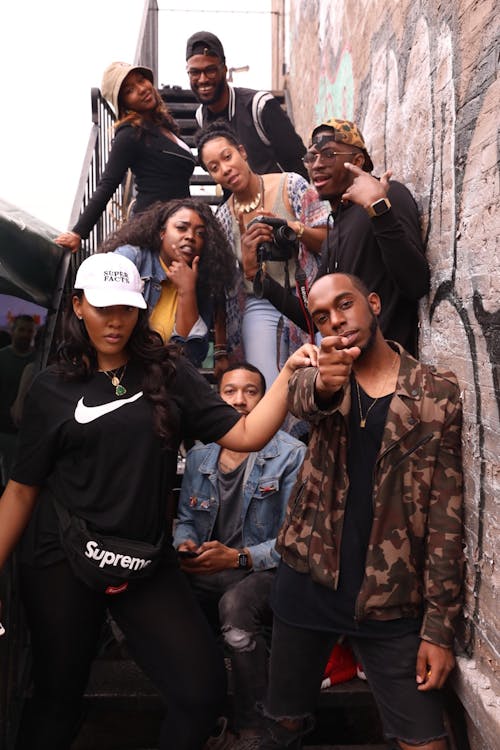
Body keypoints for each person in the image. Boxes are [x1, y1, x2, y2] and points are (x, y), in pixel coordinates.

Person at [0, 252, 317, 750]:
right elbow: (21, 489)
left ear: (140, 308)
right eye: (102, 307)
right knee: (57, 699)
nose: (115, 320)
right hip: (60, 557)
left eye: (126, 308)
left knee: (201, 692)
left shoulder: (167, 376)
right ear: (79, 306)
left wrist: (289, 371)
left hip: (143, 557)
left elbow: (247, 432)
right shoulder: (51, 388)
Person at [256, 273, 464, 750]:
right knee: (284, 723)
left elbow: (445, 521)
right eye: (322, 317)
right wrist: (328, 384)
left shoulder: (436, 394)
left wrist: (438, 628)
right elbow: (309, 399)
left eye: (345, 304)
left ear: (372, 303)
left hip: (390, 599)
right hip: (306, 584)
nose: (336, 321)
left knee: (425, 741)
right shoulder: (318, 377)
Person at [174, 362, 306, 748]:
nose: (240, 400)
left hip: (263, 571)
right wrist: (184, 544)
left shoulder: (290, 454)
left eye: (251, 391)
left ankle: (252, 727)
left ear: (265, 400)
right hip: (209, 567)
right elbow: (186, 521)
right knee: (157, 596)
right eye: (229, 391)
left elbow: (292, 542)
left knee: (234, 608)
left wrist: (237, 558)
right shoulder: (200, 457)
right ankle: (201, 712)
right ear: (216, 399)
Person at [257, 118, 430, 356]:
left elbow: (416, 283)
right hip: (353, 374)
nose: (316, 165)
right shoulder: (336, 226)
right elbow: (311, 316)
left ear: (357, 161)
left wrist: (378, 209)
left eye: (328, 154)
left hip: (391, 373)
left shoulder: (387, 197)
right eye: (311, 157)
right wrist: (259, 279)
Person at [196, 120, 329, 388]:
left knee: (321, 372)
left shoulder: (290, 185)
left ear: (242, 152)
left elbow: (328, 241)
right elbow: (222, 289)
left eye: (227, 156)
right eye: (214, 168)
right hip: (260, 301)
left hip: (307, 294)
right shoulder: (222, 219)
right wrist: (247, 262)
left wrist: (293, 228)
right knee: (265, 384)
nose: (225, 169)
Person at [56, 62, 195, 253]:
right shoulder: (129, 134)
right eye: (129, 90)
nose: (141, 89)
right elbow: (107, 185)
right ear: (124, 103)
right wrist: (78, 233)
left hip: (178, 227)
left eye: (141, 80)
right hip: (155, 232)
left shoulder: (163, 126)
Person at [99, 197, 237, 367]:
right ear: (162, 232)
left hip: (166, 375)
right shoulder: (132, 259)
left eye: (200, 233)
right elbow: (105, 320)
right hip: (123, 365)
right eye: (181, 228)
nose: (190, 237)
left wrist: (187, 291)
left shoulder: (203, 280)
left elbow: (192, 356)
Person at [186, 31, 308, 179]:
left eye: (210, 70)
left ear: (224, 69)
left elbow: (298, 163)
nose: (202, 79)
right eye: (195, 72)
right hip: (240, 201)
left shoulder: (259, 106)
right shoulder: (201, 116)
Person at [0, 315, 36, 483]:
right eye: (21, 330)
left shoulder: (37, 361)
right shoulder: (2, 358)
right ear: (13, 331)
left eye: (29, 331)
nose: (25, 334)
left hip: (21, 435)